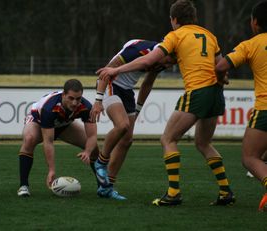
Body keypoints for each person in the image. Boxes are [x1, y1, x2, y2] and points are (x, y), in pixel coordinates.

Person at [96, 0, 235, 206]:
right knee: (201, 143)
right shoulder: (208, 35)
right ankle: (225, 192)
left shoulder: (174, 39)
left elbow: (147, 72)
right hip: (215, 93)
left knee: (155, 139)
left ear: (174, 20)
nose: (171, 64)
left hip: (194, 91)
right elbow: (221, 66)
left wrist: (133, 99)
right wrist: (222, 78)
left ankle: (167, 192)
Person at [90, 39, 175, 200]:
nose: (169, 65)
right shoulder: (139, 50)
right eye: (169, 61)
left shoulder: (162, 59)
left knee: (127, 140)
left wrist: (137, 110)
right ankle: (101, 162)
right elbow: (106, 72)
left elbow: (147, 84)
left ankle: (107, 188)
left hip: (127, 90)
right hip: (110, 84)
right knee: (122, 126)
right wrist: (98, 100)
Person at [215, 0, 267, 211]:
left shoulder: (250, 44)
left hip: (265, 108)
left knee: (249, 157)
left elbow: (221, 65)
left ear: (254, 22)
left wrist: (221, 79)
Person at [17, 79, 99, 197]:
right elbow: (48, 142)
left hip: (63, 124)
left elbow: (92, 136)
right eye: (71, 98)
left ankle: (103, 186)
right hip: (38, 121)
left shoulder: (86, 107)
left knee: (94, 148)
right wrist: (51, 170)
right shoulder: (49, 108)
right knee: (29, 139)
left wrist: (87, 151)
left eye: (78, 98)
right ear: (63, 95)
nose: (75, 103)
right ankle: (23, 186)